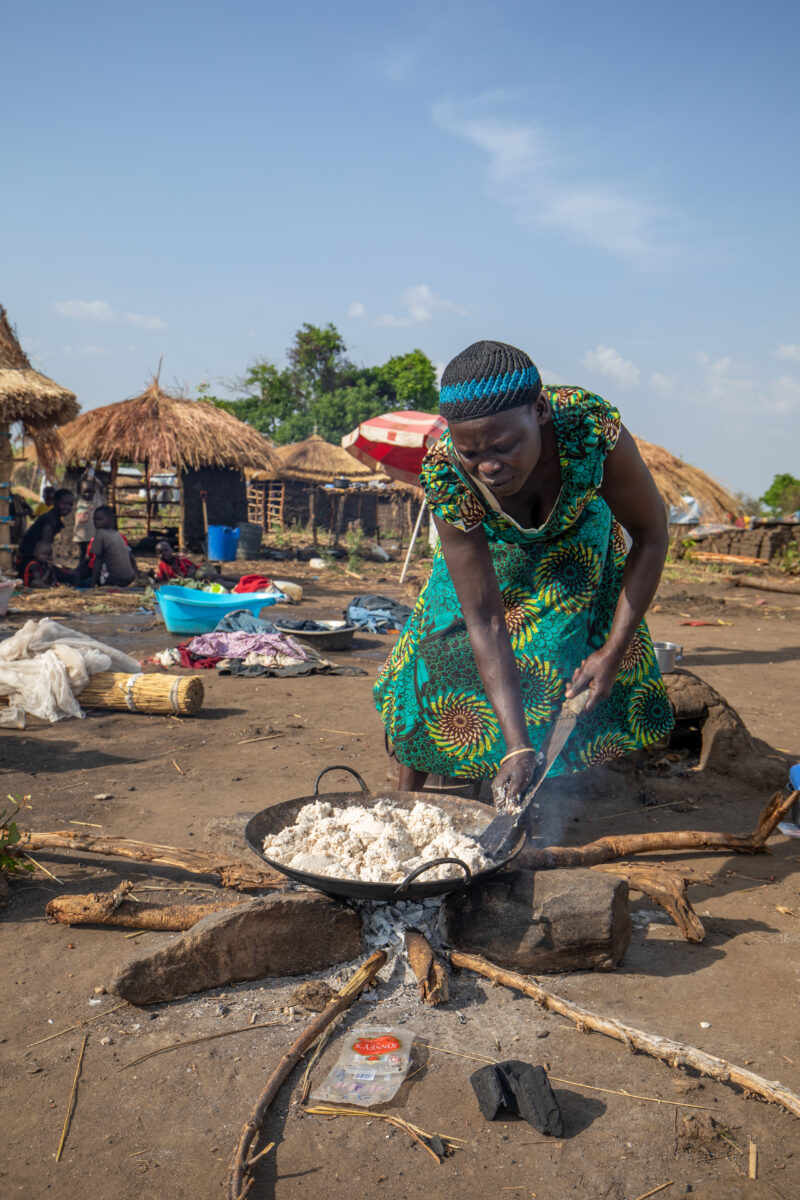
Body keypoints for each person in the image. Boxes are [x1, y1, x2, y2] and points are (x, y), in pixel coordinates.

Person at [374, 340, 675, 808]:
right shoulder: (448, 474)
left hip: (575, 537)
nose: (489, 467)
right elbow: (485, 619)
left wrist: (612, 651)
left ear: (540, 410)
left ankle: (533, 786)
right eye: (472, 452)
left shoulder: (590, 427)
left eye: (503, 446)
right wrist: (517, 744)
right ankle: (407, 802)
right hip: (491, 545)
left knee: (552, 656)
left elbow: (652, 536)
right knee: (435, 656)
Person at [15, 489, 74, 578]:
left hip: (32, 559)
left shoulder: (52, 517)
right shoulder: (50, 520)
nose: (68, 507)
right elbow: (44, 547)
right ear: (55, 502)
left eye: (70, 505)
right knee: (71, 577)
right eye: (64, 503)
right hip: (30, 563)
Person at [88, 506, 138, 588]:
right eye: (94, 520)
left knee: (83, 582)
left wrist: (93, 584)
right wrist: (135, 576)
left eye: (100, 519)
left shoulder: (100, 534)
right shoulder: (117, 534)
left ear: (110, 519)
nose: (96, 522)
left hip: (113, 580)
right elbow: (131, 558)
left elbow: (97, 561)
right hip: (129, 579)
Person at [73, 477, 101, 567]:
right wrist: (85, 474)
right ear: (81, 492)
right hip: (81, 534)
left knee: (91, 553)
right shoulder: (79, 500)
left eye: (91, 492)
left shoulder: (95, 501)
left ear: (94, 492)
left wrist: (96, 479)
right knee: (82, 553)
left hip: (92, 534)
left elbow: (101, 487)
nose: (88, 494)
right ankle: (81, 568)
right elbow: (78, 483)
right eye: (85, 491)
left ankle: (90, 568)